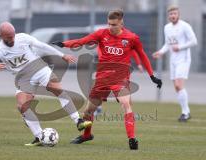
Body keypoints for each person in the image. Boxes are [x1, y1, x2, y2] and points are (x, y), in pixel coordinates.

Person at [52, 10, 162, 150]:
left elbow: (143, 55)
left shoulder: (131, 38)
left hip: (120, 78)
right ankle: (87, 135)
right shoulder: (101, 33)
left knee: (126, 104)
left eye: (114, 24)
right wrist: (64, 44)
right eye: (109, 24)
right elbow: (82, 41)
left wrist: (152, 76)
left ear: (121, 23)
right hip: (102, 79)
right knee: (88, 111)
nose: (111, 27)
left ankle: (132, 139)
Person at [0, 22, 92, 146]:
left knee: (57, 89)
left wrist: (62, 55)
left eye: (13, 35)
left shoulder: (23, 37)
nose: (12, 39)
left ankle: (78, 121)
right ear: (1, 36)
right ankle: (39, 137)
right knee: (22, 107)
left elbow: (42, 46)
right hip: (23, 77)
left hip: (39, 68)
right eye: (9, 37)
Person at [152, 6, 197, 122]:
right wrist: (161, 52)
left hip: (184, 59)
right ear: (169, 16)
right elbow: (167, 44)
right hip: (173, 60)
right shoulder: (167, 27)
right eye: (171, 14)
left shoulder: (185, 26)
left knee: (178, 85)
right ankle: (185, 112)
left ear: (178, 15)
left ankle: (185, 112)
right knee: (177, 88)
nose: (173, 16)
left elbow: (194, 41)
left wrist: (180, 47)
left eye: (175, 14)